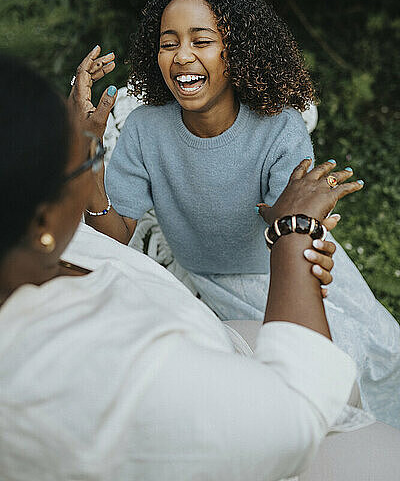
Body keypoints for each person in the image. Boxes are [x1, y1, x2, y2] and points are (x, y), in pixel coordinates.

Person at [1, 53, 399, 480]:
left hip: (227, 343)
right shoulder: (107, 369)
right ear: (43, 220)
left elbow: (99, 240)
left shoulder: (23, 250)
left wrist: (82, 149)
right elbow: (292, 418)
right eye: (80, 164)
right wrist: (294, 230)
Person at [76, 0, 400, 430]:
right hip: (211, 282)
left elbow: (286, 218)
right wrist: (87, 158)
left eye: (201, 41)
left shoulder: (278, 126)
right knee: (269, 392)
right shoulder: (145, 130)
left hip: (288, 264)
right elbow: (113, 236)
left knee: (365, 359)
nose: (182, 55)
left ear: (236, 52)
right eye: (168, 44)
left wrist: (296, 219)